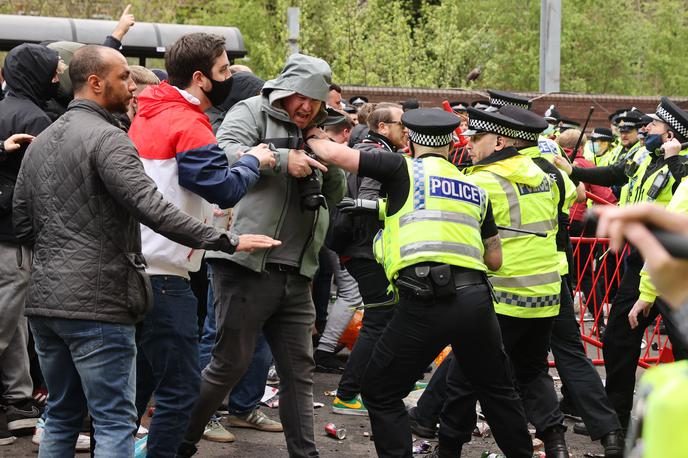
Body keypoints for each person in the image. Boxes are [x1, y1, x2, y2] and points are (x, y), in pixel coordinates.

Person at [11, 44, 278, 457]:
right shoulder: (110, 138)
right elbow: (153, 209)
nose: (132, 86)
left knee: (64, 415)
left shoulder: (43, 139)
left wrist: (60, 249)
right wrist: (227, 240)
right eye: (123, 78)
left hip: (45, 301)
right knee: (116, 418)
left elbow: (23, 222)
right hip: (99, 300)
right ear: (96, 83)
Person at [305, 108, 533, 458]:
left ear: (410, 140)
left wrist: (308, 133)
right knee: (498, 391)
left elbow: (335, 153)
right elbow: (494, 259)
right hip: (476, 302)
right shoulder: (473, 186)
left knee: (380, 390)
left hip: (424, 298)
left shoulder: (401, 168)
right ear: (449, 143)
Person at [179, 53, 346, 458]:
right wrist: (284, 161)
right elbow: (221, 154)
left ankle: (305, 454)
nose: (306, 106)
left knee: (298, 374)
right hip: (246, 264)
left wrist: (331, 164)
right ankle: (179, 444)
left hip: (297, 271)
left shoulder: (319, 131)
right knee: (227, 365)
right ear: (284, 90)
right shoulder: (251, 110)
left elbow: (335, 198)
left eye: (315, 100)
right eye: (299, 97)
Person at [127, 32, 278, 457]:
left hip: (138, 264)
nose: (229, 76)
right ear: (200, 78)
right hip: (164, 273)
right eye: (224, 70)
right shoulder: (186, 120)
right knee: (179, 390)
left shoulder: (149, 110)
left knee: (137, 385)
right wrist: (254, 160)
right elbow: (221, 188)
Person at [554, 97, 688, 430]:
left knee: (684, 342)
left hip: (673, 261)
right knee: (619, 337)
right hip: (638, 259)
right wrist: (573, 170)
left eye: (654, 125)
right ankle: (617, 416)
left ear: (671, 133)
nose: (647, 129)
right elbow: (617, 172)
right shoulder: (645, 154)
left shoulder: (682, 164)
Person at [458, 106, 570, 457]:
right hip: (546, 292)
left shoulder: (481, 181)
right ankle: (556, 442)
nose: (470, 143)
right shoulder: (546, 176)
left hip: (503, 293)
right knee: (534, 370)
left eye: (477, 138)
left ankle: (448, 441)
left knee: (468, 375)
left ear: (499, 141)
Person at [0, 42, 63, 435]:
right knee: (7, 324)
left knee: (15, 324)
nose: (58, 79)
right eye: (54, 72)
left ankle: (20, 400)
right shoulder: (36, 119)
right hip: (16, 243)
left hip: (7, 238)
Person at [329, 102, 407, 415]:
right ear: (383, 127)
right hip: (365, 248)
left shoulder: (364, 150)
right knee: (380, 317)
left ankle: (382, 382)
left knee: (388, 314)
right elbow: (369, 202)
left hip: (361, 247)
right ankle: (347, 395)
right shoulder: (377, 155)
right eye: (402, 124)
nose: (407, 130)